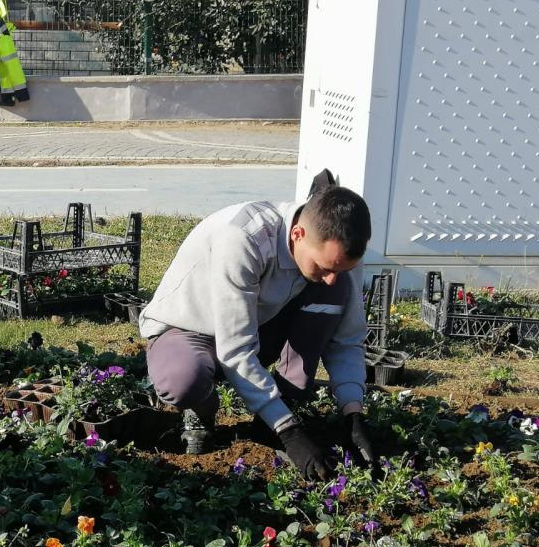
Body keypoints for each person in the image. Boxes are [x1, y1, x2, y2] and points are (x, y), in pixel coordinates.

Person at [138, 185, 375, 479]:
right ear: (298, 234)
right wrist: (289, 432)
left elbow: (347, 339)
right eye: (323, 267)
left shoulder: (338, 253)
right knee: (182, 381)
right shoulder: (244, 239)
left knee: (333, 291)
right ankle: (204, 405)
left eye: (339, 268)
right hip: (191, 329)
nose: (330, 278)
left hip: (258, 325)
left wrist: (353, 412)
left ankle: (280, 407)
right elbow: (236, 350)